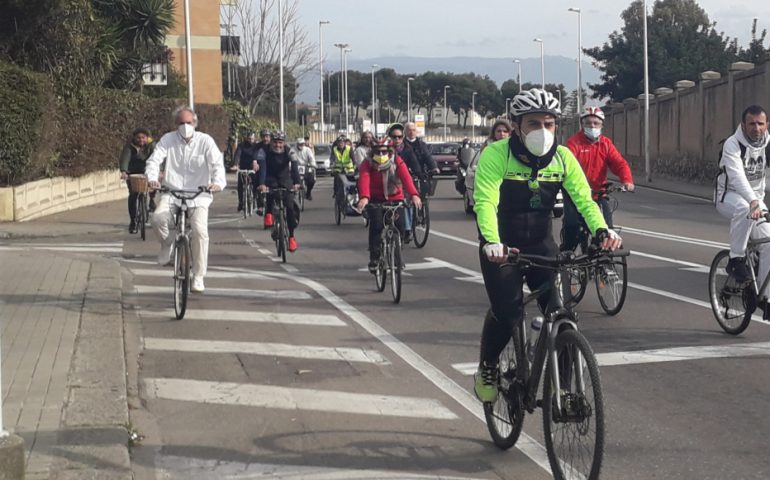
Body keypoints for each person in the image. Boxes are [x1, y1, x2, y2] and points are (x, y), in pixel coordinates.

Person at [472, 89, 621, 402]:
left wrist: (602, 230)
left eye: (549, 123)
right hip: (503, 249)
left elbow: (584, 199)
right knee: (508, 312)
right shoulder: (496, 154)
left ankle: (566, 392)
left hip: (542, 246)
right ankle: (488, 366)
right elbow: (485, 200)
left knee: (562, 317)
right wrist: (491, 241)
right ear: (517, 126)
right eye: (533, 123)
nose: (543, 130)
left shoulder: (563, 157)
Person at [146, 106, 226, 294]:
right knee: (157, 219)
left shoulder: (205, 141)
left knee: (199, 232)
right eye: (181, 123)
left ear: (195, 123)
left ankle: (198, 275)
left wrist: (217, 183)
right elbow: (154, 160)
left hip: (199, 195)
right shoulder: (168, 140)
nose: (185, 126)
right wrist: (152, 177)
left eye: (188, 123)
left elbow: (216, 164)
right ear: (176, 124)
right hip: (171, 192)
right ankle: (167, 244)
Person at [715, 104, 770, 316]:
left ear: (766, 125)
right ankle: (736, 259)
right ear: (743, 125)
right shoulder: (733, 144)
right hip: (728, 196)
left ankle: (765, 297)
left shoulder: (767, 143)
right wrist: (753, 202)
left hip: (755, 199)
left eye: (760, 123)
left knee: (767, 243)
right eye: (752, 123)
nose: (756, 128)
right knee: (743, 209)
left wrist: (757, 201)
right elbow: (737, 177)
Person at [561, 106, 635, 251]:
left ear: (602, 125)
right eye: (588, 123)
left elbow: (619, 163)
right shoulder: (574, 143)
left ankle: (604, 257)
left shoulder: (606, 144)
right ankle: (566, 253)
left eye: (596, 123)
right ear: (582, 124)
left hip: (599, 192)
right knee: (572, 225)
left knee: (607, 228)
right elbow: (565, 166)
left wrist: (627, 181)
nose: (592, 126)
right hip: (576, 194)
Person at [356, 138, 422, 272]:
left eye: (384, 152)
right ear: (372, 152)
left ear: (390, 152)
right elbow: (364, 179)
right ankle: (375, 257)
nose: (381, 155)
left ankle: (397, 254)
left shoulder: (397, 161)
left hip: (395, 198)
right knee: (377, 226)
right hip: (375, 199)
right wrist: (364, 198)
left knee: (401, 226)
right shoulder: (367, 163)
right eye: (378, 152)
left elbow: (406, 178)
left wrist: (414, 194)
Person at [257, 130, 301, 252]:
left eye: (280, 143)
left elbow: (295, 168)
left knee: (290, 207)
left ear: (284, 143)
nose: (278, 145)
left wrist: (297, 183)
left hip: (285, 179)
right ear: (271, 142)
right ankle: (269, 214)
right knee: (270, 192)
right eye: (275, 142)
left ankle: (291, 237)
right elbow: (263, 169)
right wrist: (262, 184)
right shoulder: (264, 151)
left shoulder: (289, 150)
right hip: (270, 178)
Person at [387, 123, 422, 243]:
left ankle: (407, 228)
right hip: (388, 183)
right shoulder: (384, 150)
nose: (397, 139)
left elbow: (414, 162)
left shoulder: (407, 149)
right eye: (394, 137)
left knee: (406, 202)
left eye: (399, 137)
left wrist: (419, 173)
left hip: (404, 181)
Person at [119, 128, 155, 233]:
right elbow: (125, 158)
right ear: (134, 138)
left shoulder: (151, 145)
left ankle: (151, 201)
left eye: (143, 137)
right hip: (133, 172)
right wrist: (124, 171)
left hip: (147, 171)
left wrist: (160, 170)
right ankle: (133, 222)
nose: (141, 140)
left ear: (147, 138)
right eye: (138, 138)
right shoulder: (129, 146)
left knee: (152, 187)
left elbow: (157, 157)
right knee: (133, 195)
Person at [233, 132, 260, 212]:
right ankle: (241, 202)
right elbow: (237, 155)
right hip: (243, 167)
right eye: (249, 139)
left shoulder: (256, 146)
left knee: (255, 183)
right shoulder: (241, 146)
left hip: (253, 167)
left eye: (252, 139)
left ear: (254, 139)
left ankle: (255, 199)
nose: (250, 140)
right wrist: (236, 164)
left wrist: (256, 164)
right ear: (246, 138)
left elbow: (257, 155)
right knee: (240, 185)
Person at [330, 135, 355, 201]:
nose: (341, 144)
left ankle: (352, 194)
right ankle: (336, 192)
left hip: (349, 169)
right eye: (339, 142)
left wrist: (355, 168)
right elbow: (332, 158)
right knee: (337, 179)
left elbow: (353, 159)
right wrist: (332, 165)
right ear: (337, 143)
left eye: (342, 142)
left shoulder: (349, 148)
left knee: (352, 182)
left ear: (344, 143)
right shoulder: (334, 149)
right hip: (338, 169)